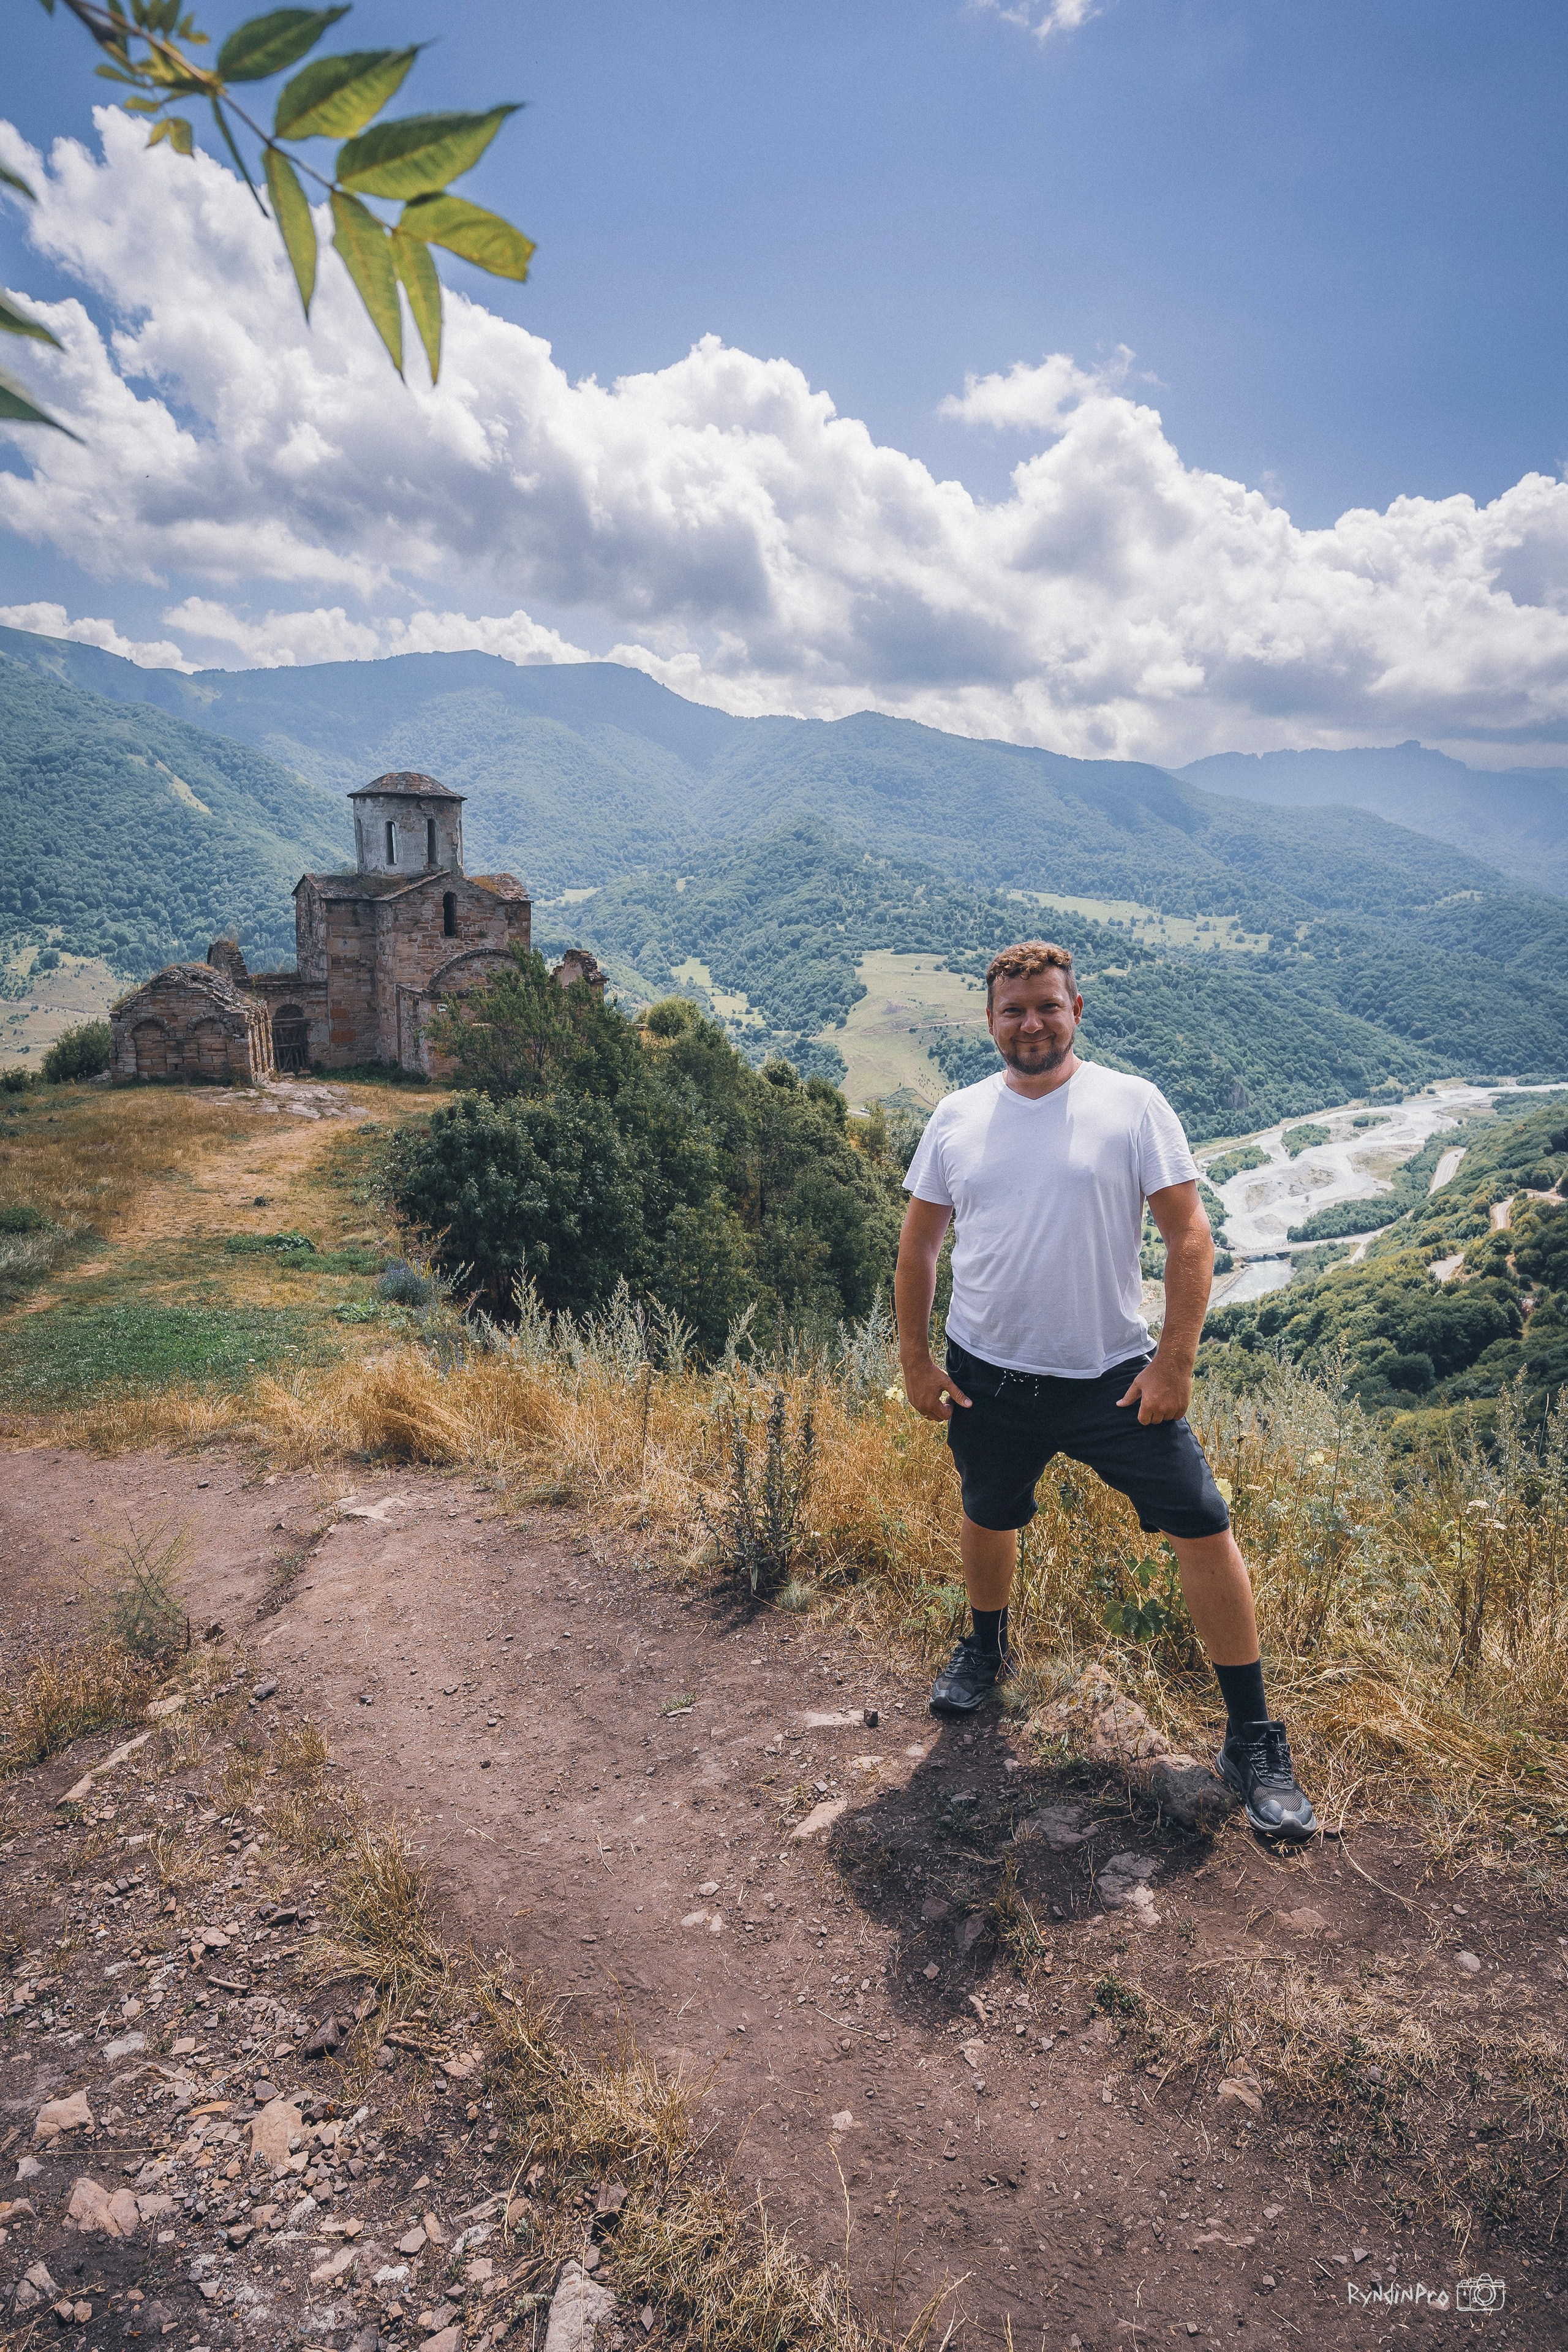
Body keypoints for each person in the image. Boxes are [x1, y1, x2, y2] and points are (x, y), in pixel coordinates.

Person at [894, 938, 1315, 1842]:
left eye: (1048, 1005)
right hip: (986, 1376)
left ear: (1075, 1009)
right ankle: (986, 1649)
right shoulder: (958, 1116)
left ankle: (1254, 1740)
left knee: (1202, 1521)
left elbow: (1189, 1237)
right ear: (991, 1021)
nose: (1032, 1022)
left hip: (1111, 1379)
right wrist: (916, 1361)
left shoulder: (1133, 1104)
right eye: (1014, 1010)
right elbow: (920, 1245)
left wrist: (1175, 1362)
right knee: (989, 1511)